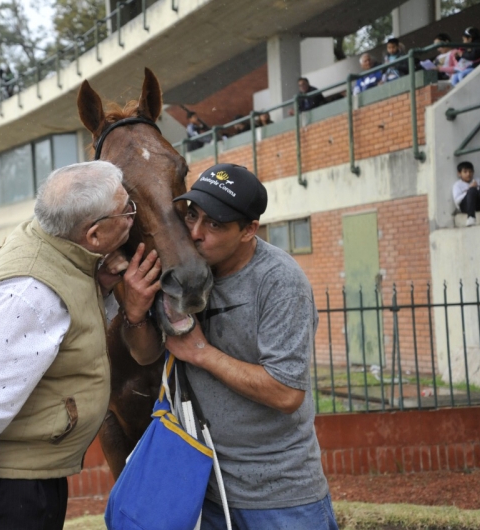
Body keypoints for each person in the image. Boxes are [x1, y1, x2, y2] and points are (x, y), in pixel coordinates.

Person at [120, 163, 337, 530]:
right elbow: (146, 354)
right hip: (201, 490)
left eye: (215, 224)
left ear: (249, 230)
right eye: (192, 215)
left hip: (279, 496)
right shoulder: (182, 272)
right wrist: (137, 313)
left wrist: (202, 353)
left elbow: (286, 393)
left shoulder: (280, 282)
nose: (196, 233)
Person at [0, 161, 137, 530]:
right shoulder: (30, 294)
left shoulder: (57, 250)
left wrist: (99, 285)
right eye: (127, 210)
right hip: (11, 490)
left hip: (29, 476)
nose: (133, 215)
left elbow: (61, 331)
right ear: (96, 235)